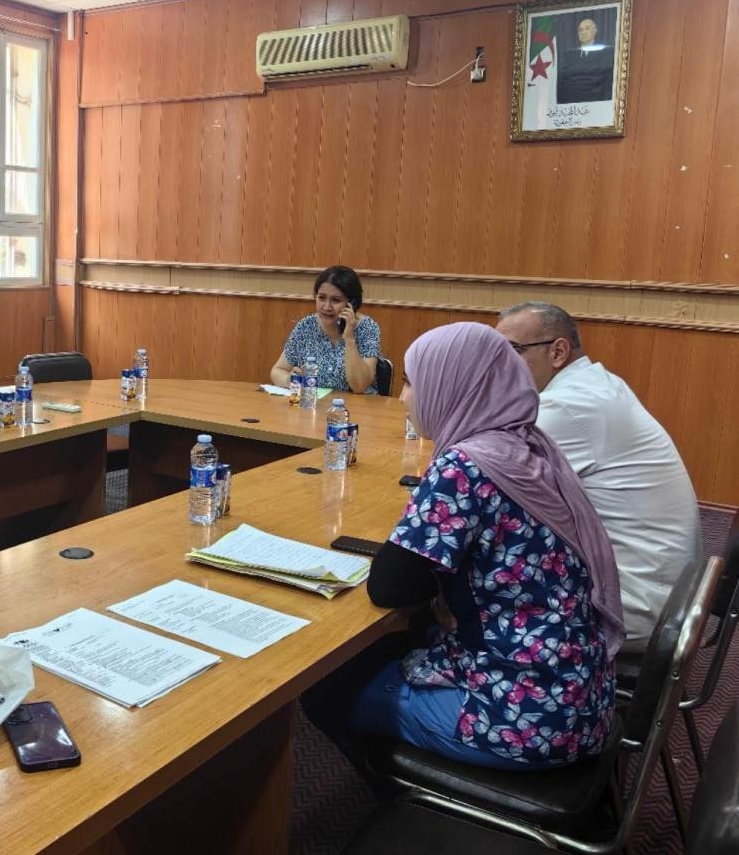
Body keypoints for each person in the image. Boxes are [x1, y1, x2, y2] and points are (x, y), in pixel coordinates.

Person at [303, 322, 621, 773]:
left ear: (454, 386)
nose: (403, 397)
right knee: (405, 639)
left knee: (325, 688)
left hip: (523, 720)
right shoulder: (528, 444)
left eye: (412, 382)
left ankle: (406, 802)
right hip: (580, 698)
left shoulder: (465, 466)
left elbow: (389, 587)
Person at [496, 301, 702, 652]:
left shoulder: (565, 407)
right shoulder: (596, 383)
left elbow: (495, 488)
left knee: (485, 580)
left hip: (636, 600)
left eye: (511, 351)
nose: (499, 366)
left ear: (557, 351)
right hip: (669, 587)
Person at [270, 265, 381, 394]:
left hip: (357, 405)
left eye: (336, 300)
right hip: (315, 403)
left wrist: (349, 339)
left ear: (352, 303)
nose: (327, 307)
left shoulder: (367, 328)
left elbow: (360, 387)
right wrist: (288, 380)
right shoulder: (306, 326)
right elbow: (277, 370)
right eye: (322, 298)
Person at [556, 16, 615, 104]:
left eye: (587, 29)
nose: (583, 32)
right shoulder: (570, 55)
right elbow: (563, 83)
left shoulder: (606, 52)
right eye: (580, 30)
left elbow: (607, 82)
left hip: (597, 102)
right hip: (572, 103)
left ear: (595, 31)